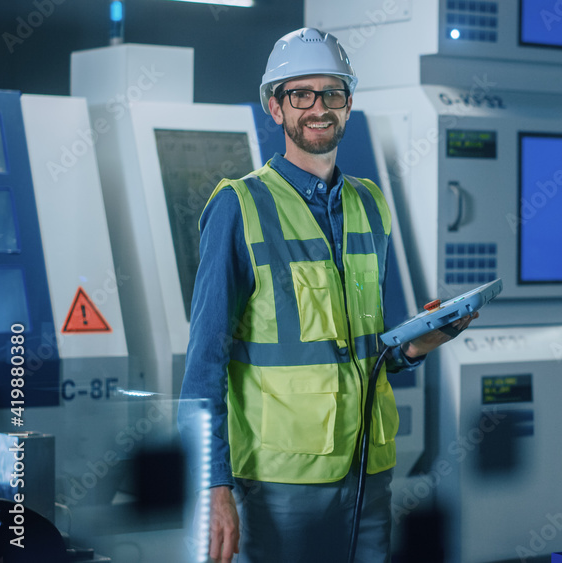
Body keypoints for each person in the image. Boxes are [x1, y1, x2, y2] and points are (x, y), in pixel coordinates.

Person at [179, 27, 474, 563]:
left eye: (331, 94)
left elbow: (366, 349)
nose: (318, 108)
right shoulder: (239, 207)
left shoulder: (369, 204)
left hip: (370, 470)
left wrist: (419, 343)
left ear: (348, 104)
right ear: (276, 107)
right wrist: (212, 485)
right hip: (278, 483)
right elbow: (203, 364)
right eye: (301, 95)